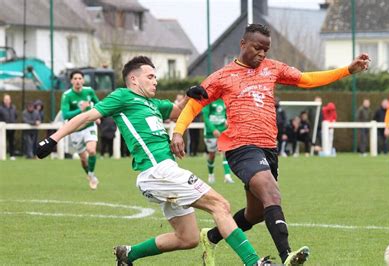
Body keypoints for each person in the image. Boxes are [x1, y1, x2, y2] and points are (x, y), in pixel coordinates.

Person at [36, 56, 271, 266]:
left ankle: (128, 254)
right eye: (150, 76)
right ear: (134, 80)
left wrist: (191, 95)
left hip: (163, 174)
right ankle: (254, 263)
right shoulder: (123, 96)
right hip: (158, 172)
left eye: (156, 77)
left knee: (188, 238)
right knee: (221, 206)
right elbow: (87, 116)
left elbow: (179, 111)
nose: (155, 81)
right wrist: (52, 139)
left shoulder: (155, 104)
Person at [170, 24, 370, 265]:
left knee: (254, 214)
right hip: (240, 147)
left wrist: (347, 70)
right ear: (243, 44)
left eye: (266, 49)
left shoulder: (273, 68)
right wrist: (179, 132)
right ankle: (287, 256)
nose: (262, 54)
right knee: (271, 192)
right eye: (257, 48)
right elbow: (195, 103)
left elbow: (307, 79)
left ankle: (211, 236)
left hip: (268, 149)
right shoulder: (222, 76)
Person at [61, 70, 100, 189]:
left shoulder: (89, 91)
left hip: (89, 126)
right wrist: (81, 110)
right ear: (71, 81)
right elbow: (65, 115)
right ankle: (89, 173)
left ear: (83, 80)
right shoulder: (67, 95)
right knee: (83, 160)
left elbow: (98, 104)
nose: (78, 81)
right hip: (75, 130)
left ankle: (92, 176)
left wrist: (98, 115)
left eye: (80, 78)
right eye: (75, 78)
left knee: (92, 150)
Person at [202, 98, 234, 184]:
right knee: (212, 155)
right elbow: (205, 117)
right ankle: (211, 174)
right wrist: (213, 130)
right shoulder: (209, 100)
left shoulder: (225, 100)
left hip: (223, 131)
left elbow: (227, 114)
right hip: (210, 133)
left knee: (225, 152)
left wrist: (228, 121)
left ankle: (227, 176)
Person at [0, 94, 17, 158]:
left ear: (10, 100)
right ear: (3, 100)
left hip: (12, 128)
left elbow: (15, 116)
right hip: (2, 129)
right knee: (2, 142)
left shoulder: (13, 107)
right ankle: (1, 155)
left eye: (8, 99)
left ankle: (12, 155)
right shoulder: (0, 108)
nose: (7, 101)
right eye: (5, 99)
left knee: (12, 142)